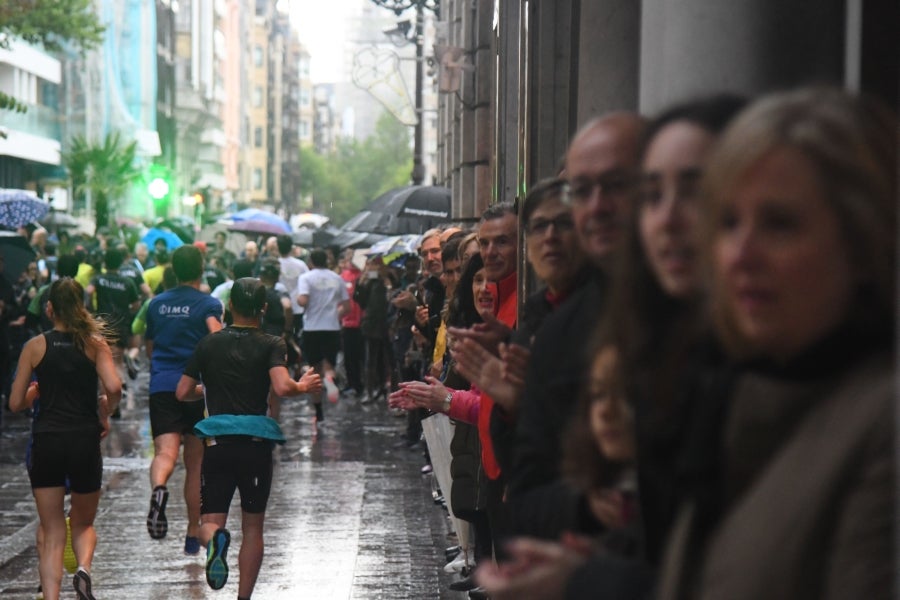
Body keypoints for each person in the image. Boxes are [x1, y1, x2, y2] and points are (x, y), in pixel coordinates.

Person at [658, 88, 896, 600]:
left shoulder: (882, 426)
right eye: (728, 223)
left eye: (780, 224)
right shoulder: (733, 397)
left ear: (862, 239)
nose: (740, 254)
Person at [176, 277, 322, 598]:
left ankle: (215, 540)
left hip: (217, 446)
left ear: (230, 306)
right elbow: (282, 387)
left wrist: (209, 389)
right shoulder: (272, 343)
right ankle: (244, 597)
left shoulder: (208, 344)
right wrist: (303, 386)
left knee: (208, 523)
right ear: (264, 309)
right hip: (255, 447)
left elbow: (183, 391)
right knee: (253, 528)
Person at [9, 277, 122, 600]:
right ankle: (83, 569)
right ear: (80, 308)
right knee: (83, 523)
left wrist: (33, 392)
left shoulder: (35, 346)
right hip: (84, 439)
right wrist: (106, 409)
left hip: (47, 441)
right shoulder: (94, 343)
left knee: (53, 528)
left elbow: (15, 403)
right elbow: (114, 387)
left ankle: (51, 596)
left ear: (49, 309)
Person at [144, 245, 224, 554]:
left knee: (165, 452)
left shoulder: (156, 305)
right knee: (196, 463)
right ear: (201, 269)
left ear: (174, 270)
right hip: (195, 389)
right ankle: (193, 533)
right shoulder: (208, 304)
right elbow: (216, 338)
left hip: (162, 385)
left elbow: (150, 346)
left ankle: (159, 488)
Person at [296, 249, 350, 424]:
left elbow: (303, 301)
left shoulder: (306, 277)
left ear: (311, 261)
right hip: (332, 328)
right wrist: (335, 314)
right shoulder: (337, 278)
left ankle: (318, 412)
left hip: (312, 328)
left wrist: (299, 301)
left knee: (314, 370)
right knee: (328, 364)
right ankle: (330, 379)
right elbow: (347, 307)